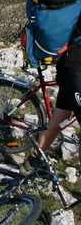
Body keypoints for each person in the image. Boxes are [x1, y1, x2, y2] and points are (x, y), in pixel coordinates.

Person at [32, 18, 81, 166]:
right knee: (60, 118)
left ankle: (32, 162)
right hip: (75, 69)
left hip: (69, 67)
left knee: (60, 117)